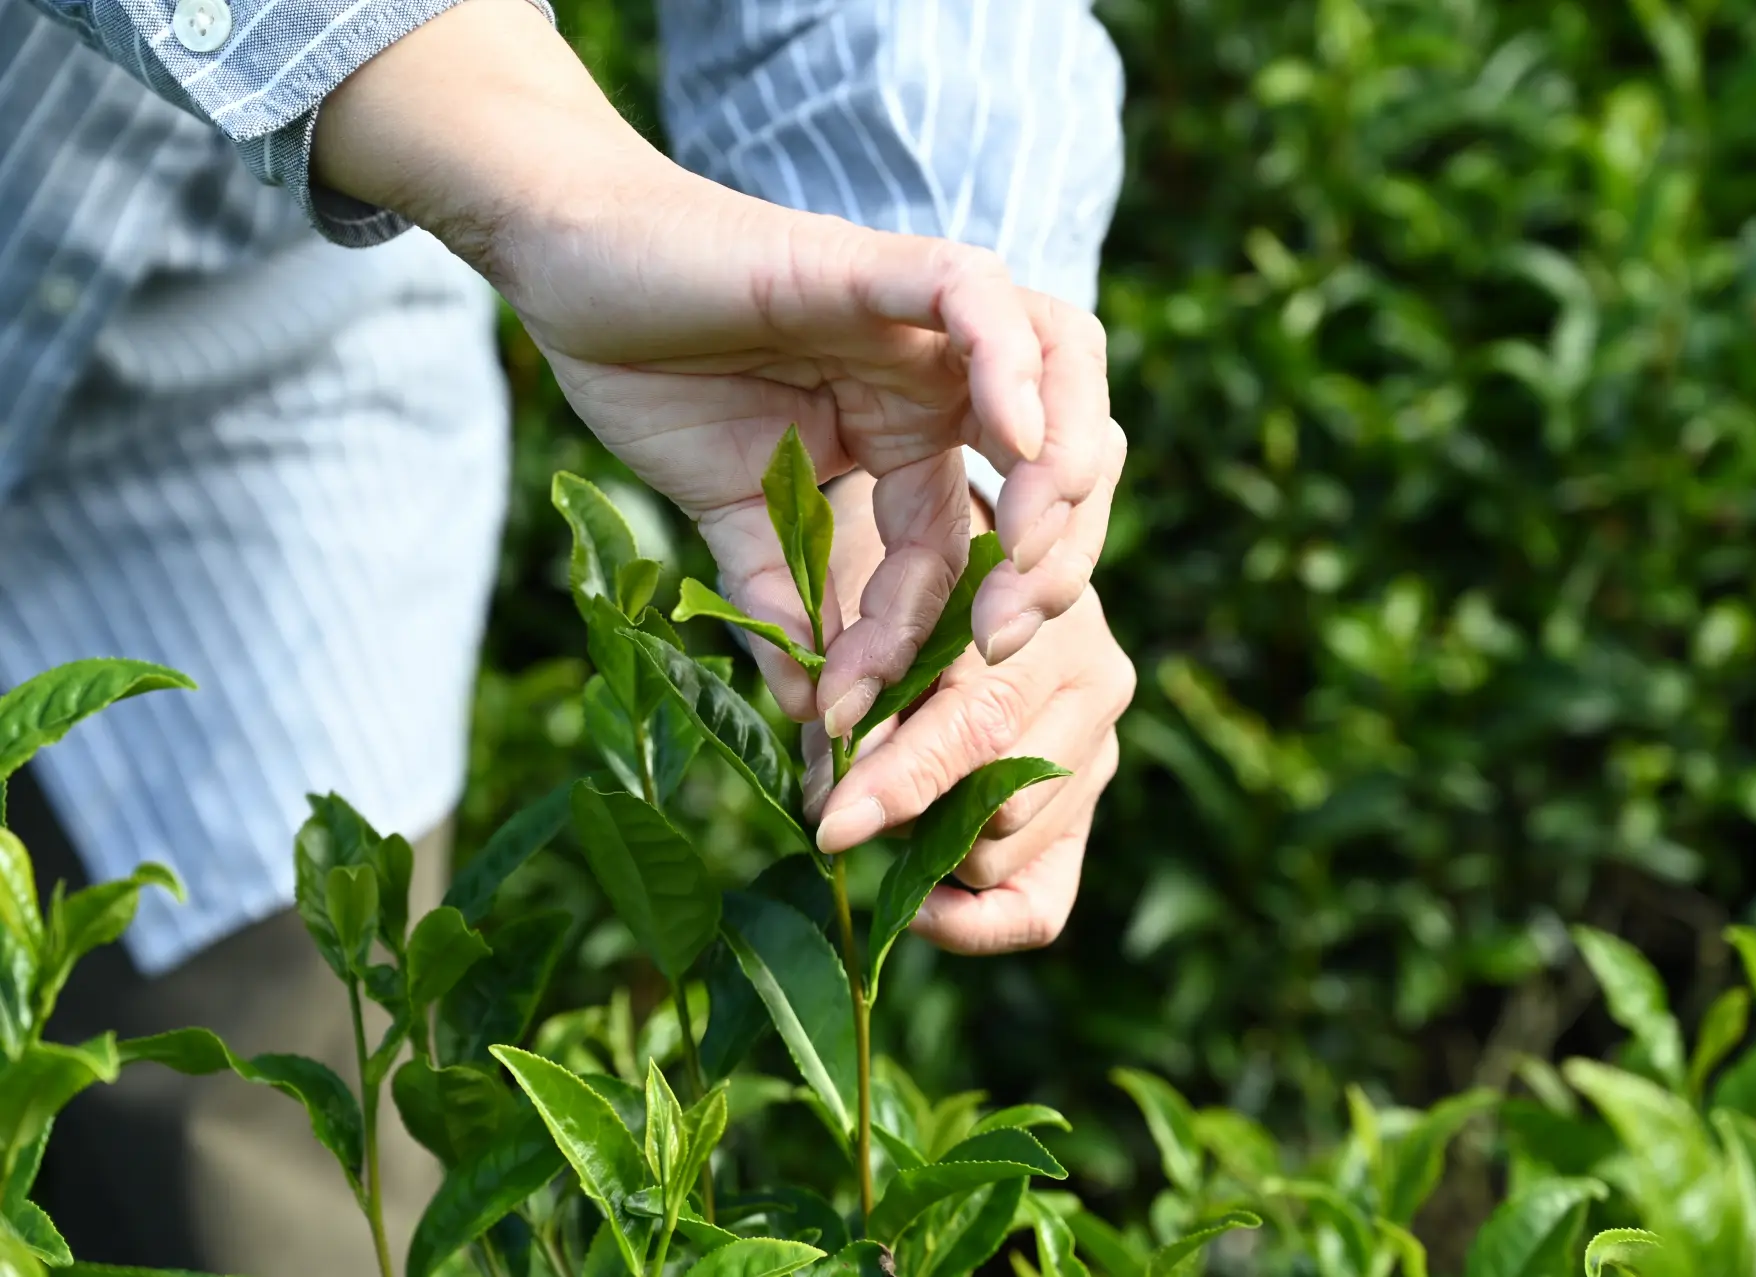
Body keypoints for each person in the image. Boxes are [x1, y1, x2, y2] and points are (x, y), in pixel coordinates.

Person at [0, 0, 1136, 1269]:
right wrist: (555, 188)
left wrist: (932, 396)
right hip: (446, 159)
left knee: (263, 1151)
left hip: (241, 344)